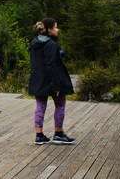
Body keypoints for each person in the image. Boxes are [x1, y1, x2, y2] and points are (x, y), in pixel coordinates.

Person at [28, 17, 75, 145]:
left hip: (38, 79)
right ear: (49, 29)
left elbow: (39, 61)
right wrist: (56, 84)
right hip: (51, 80)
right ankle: (58, 134)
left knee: (40, 105)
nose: (57, 29)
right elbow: (50, 65)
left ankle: (39, 135)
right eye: (55, 27)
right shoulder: (51, 44)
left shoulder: (35, 42)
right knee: (60, 104)